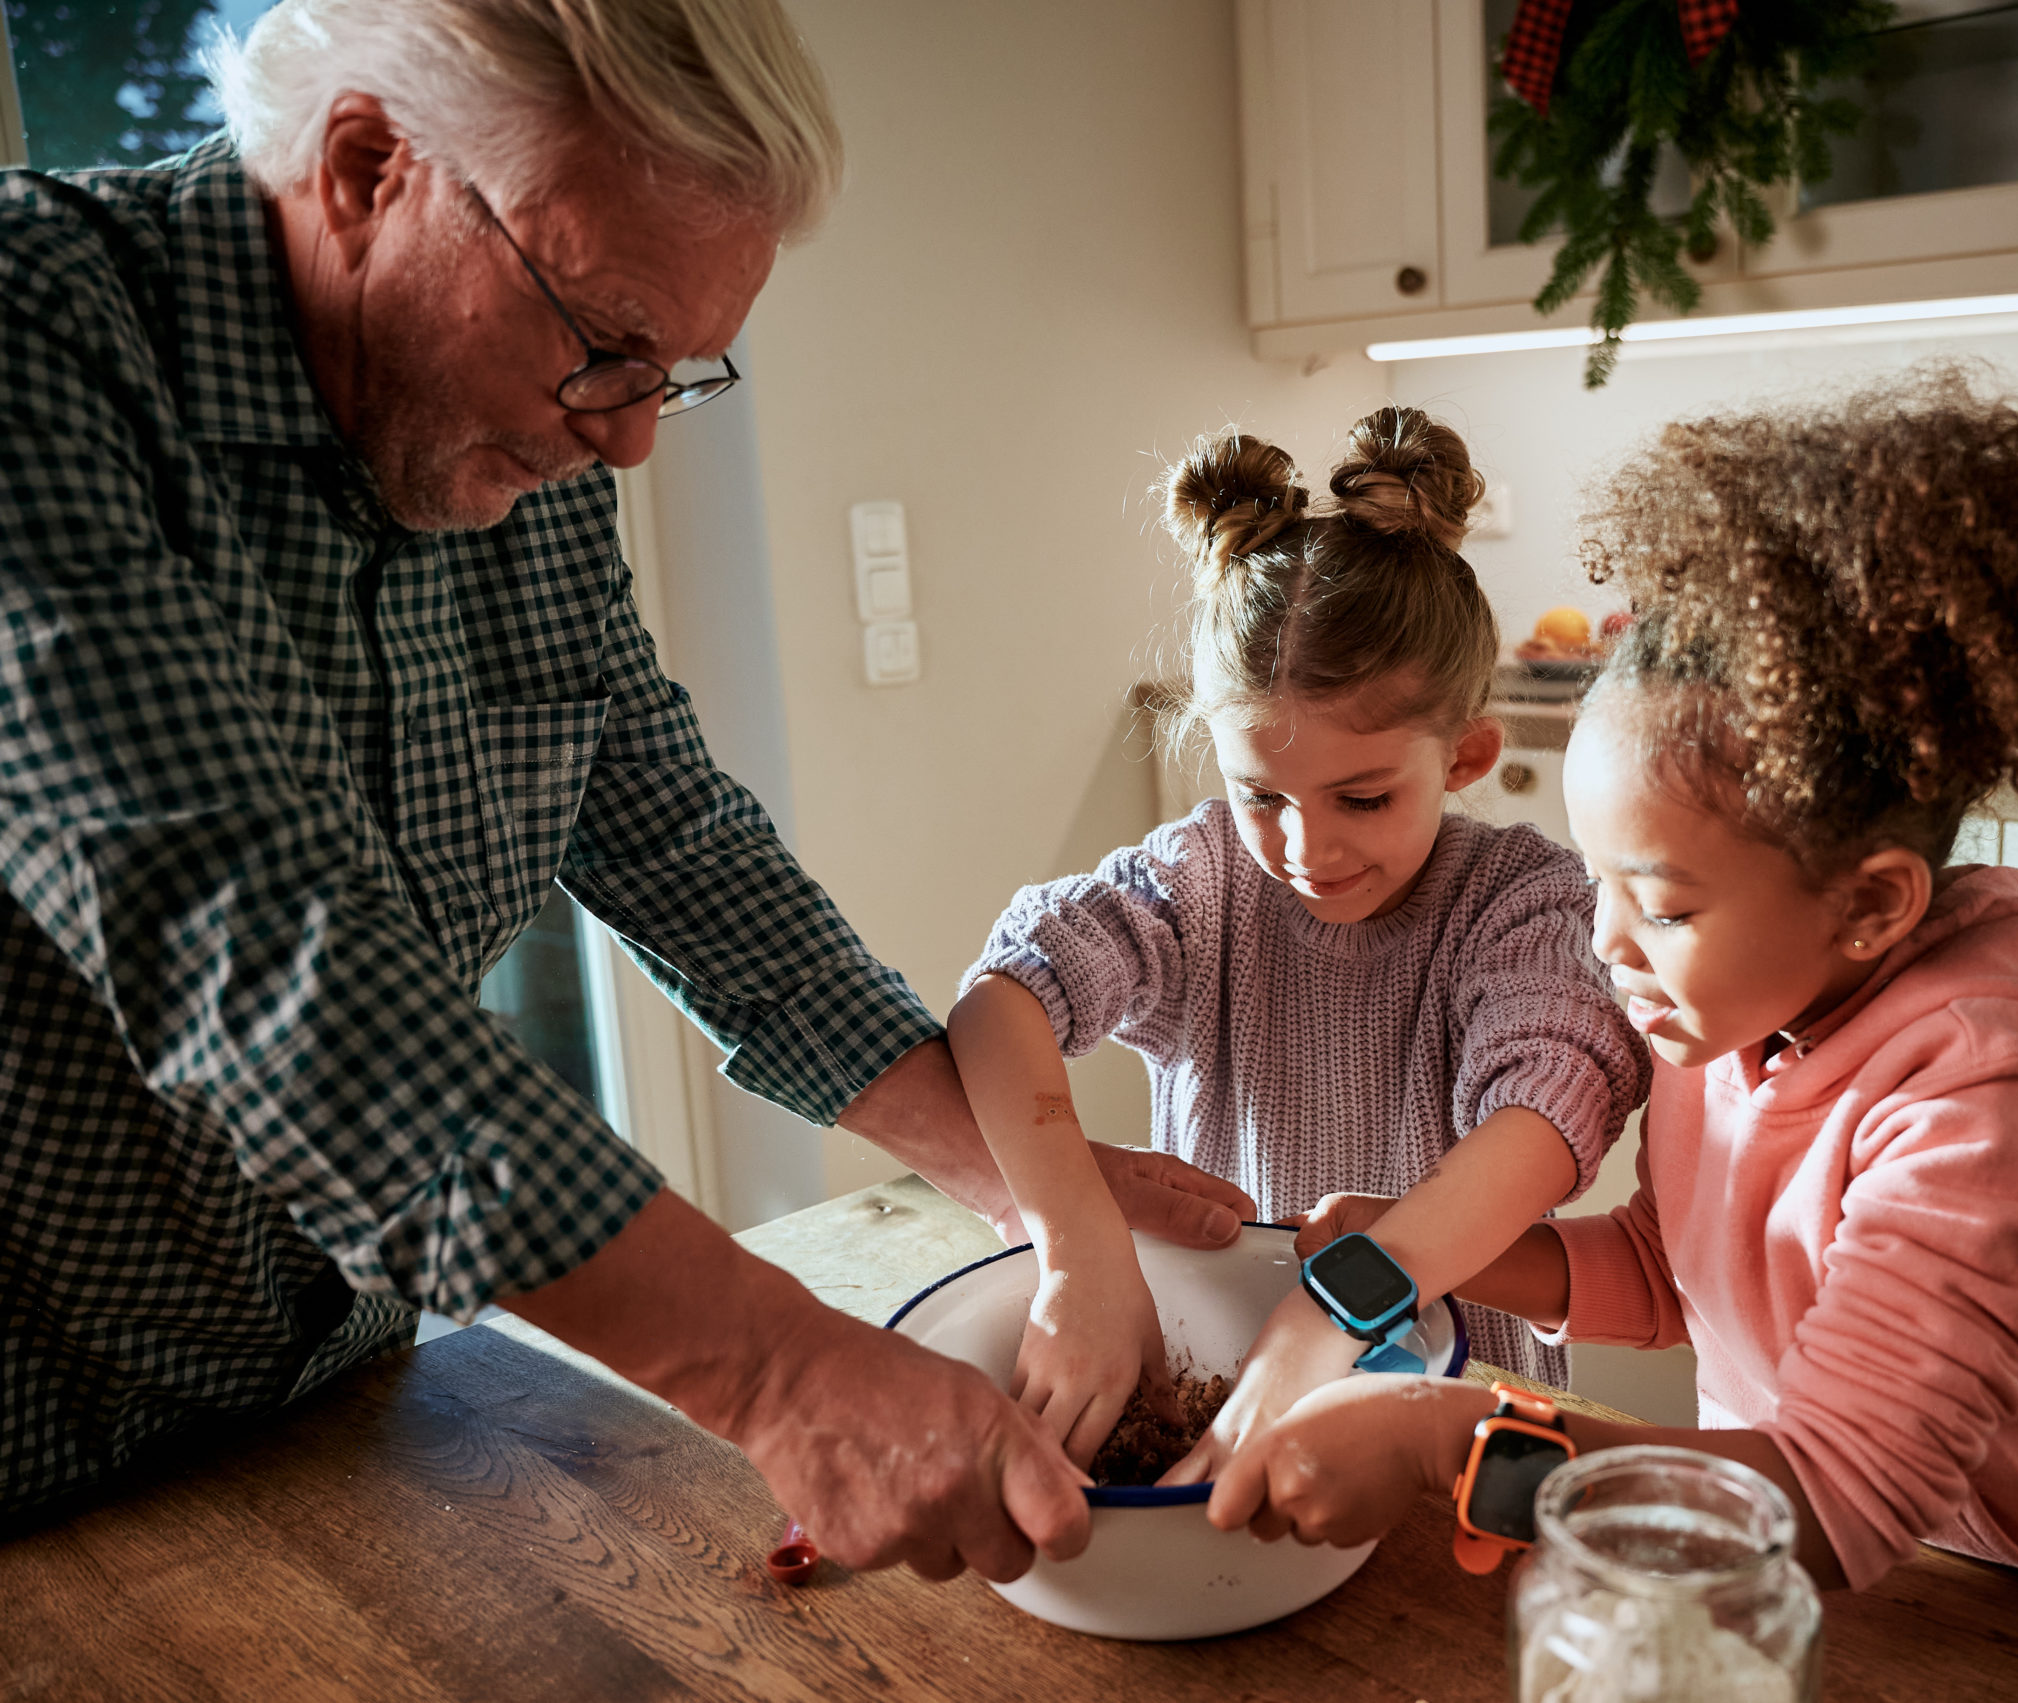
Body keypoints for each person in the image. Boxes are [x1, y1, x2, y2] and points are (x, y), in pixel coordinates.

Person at [0, 0, 1253, 1579]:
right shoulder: (32, 336)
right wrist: (781, 1370)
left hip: (326, 1387)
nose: (635, 438)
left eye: (675, 370)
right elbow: (256, 949)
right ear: (370, 164)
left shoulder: (527, 430)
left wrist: (1021, 1176)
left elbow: (663, 825)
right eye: (603, 341)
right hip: (36, 1442)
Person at [1207, 370, 2018, 1651]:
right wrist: (1430, 1246)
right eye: (1600, 882)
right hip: (1811, 1590)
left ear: (1870, 903)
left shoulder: (1995, 1095)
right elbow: (1677, 1274)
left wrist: (1443, 1443)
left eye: (1662, 904)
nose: (1605, 942)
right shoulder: (1741, 1009)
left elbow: (1841, 1495)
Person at [942, 409, 1649, 1471]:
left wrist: (1336, 1306)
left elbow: (1541, 1121)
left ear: (1465, 756)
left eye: (1362, 798)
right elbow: (1001, 1001)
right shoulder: (1202, 878)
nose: (1305, 848)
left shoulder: (1520, 904)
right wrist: (1075, 1240)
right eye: (1261, 794)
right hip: (1212, 1372)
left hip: (1445, 1427)